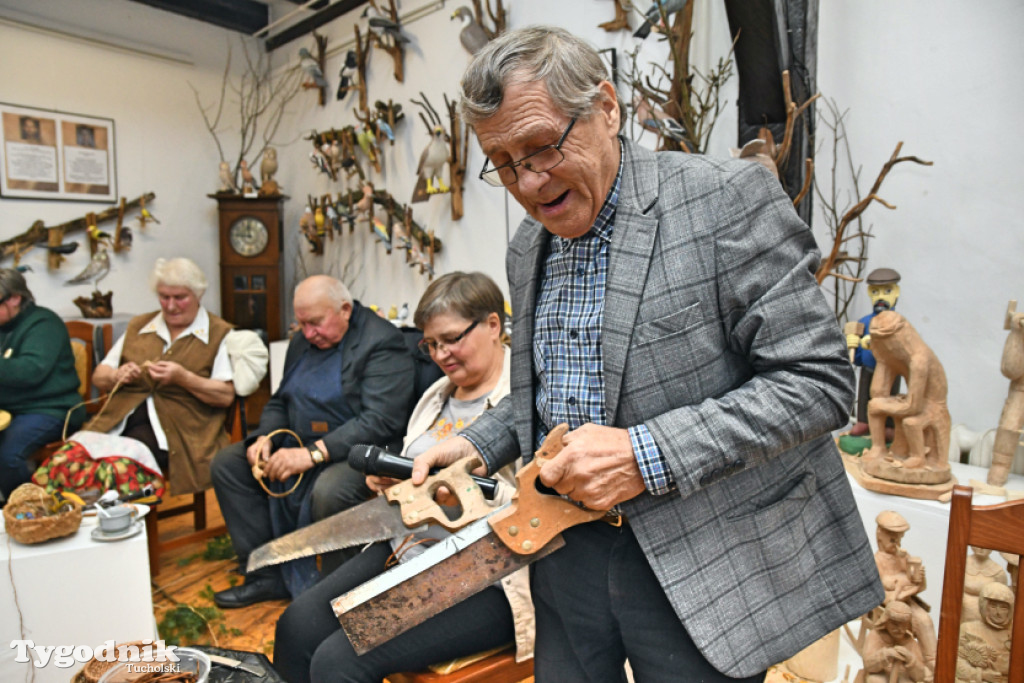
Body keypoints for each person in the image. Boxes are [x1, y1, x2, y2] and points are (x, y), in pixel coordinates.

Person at [410, 26, 883, 681]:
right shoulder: (528, 245)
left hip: (701, 556)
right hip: (564, 548)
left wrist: (644, 455)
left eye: (543, 146)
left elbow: (818, 379)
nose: (528, 179)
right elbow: (555, 381)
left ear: (607, 106)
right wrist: (480, 443)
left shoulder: (724, 198)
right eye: (504, 162)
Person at [273, 271, 533, 683]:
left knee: (337, 661)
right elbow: (416, 467)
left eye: (452, 339)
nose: (441, 354)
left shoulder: (528, 398)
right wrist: (391, 484)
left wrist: (456, 498)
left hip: (489, 576)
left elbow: (541, 507)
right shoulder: (437, 394)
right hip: (410, 548)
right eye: (431, 344)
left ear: (493, 325)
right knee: (297, 625)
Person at [211, 275, 413, 608]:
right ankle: (267, 574)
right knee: (229, 465)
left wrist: (313, 454)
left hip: (359, 450)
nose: (307, 334)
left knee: (329, 490)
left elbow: (380, 421)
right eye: (301, 324)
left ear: (345, 309)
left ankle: (333, 593)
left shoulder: (382, 342)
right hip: (302, 440)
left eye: (315, 323)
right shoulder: (304, 341)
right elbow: (280, 400)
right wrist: (267, 437)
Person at [87, 257, 257, 496]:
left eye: (180, 298)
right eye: (164, 297)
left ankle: (123, 525)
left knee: (115, 467)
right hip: (120, 420)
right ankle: (85, 523)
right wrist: (117, 375)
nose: (170, 305)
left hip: (181, 433)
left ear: (198, 295)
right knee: (72, 458)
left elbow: (225, 395)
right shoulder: (139, 326)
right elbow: (99, 376)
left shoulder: (219, 334)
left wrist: (183, 378)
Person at [0, 268, 84, 500]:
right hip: (9, 410)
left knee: (8, 456)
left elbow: (30, 372)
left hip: (51, 409)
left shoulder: (44, 324)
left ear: (15, 298)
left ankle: (31, 509)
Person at [873, 510, 937, 672]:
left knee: (925, 620)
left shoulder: (904, 557)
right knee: (914, 621)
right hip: (890, 610)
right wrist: (906, 588)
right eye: (893, 539)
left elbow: (920, 588)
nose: (897, 545)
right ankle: (920, 662)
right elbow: (888, 600)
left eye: (900, 539)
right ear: (880, 535)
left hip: (907, 602)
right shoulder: (877, 561)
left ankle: (932, 659)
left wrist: (920, 580)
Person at [846, 267, 902, 436]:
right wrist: (852, 345)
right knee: (864, 395)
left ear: (896, 293)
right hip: (869, 367)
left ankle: (888, 426)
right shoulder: (864, 322)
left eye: (887, 291)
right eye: (876, 292)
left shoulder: (898, 322)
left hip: (891, 369)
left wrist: (873, 342)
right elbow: (855, 357)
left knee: (889, 397)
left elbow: (899, 346)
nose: (881, 298)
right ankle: (864, 422)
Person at [861, 601, 931, 683]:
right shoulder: (875, 636)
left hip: (902, 678)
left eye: (904, 625)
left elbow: (920, 676)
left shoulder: (910, 642)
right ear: (885, 621)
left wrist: (910, 659)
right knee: (875, 680)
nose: (899, 629)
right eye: (894, 624)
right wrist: (886, 654)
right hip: (881, 677)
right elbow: (868, 665)